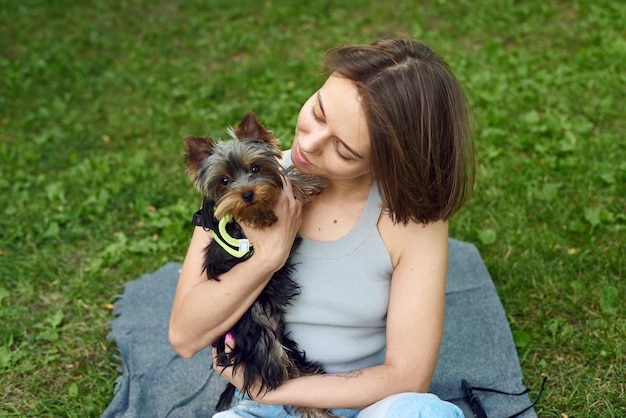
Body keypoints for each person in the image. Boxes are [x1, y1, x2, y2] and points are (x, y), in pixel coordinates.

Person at [169, 38, 475, 417]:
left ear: (390, 161)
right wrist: (267, 258)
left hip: (369, 401)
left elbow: (408, 378)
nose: (308, 144)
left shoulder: (410, 217)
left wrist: (280, 392)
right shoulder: (237, 191)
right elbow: (184, 337)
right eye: (317, 111)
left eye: (344, 149)